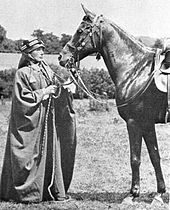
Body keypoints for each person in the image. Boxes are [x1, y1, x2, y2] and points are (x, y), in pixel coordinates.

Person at [0, 38, 77, 203]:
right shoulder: (22, 73)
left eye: (43, 49)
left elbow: (55, 89)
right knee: (29, 154)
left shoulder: (46, 70)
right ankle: (27, 192)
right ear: (28, 54)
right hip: (30, 124)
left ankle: (46, 190)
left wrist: (66, 89)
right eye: (38, 50)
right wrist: (43, 92)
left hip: (47, 122)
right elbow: (22, 99)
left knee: (48, 152)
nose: (42, 52)